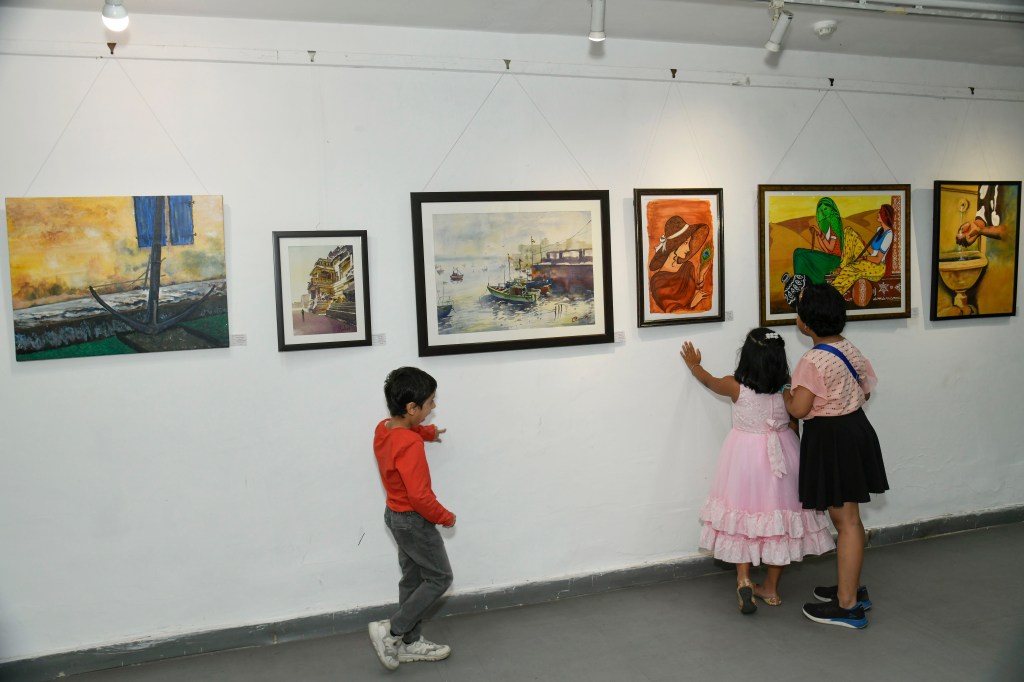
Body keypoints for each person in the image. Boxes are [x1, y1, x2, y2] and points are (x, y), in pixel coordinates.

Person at [681, 329, 835, 615]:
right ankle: (772, 589)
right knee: (780, 520)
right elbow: (793, 422)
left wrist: (694, 365)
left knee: (743, 514)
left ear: (747, 357)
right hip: (783, 454)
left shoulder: (735, 386)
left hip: (744, 457)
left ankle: (743, 577)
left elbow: (709, 380)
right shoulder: (786, 389)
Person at [783, 284, 888, 629]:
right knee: (850, 520)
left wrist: (786, 394)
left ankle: (848, 605)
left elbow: (798, 407)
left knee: (847, 523)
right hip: (855, 430)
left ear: (807, 322)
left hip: (831, 440)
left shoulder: (811, 360)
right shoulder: (848, 347)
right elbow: (867, 389)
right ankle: (850, 588)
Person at [368, 367, 456, 670]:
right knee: (440, 578)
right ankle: (392, 630)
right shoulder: (410, 445)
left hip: (394, 517)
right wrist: (445, 517)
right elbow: (419, 496)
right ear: (412, 408)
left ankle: (408, 642)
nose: (434, 407)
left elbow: (404, 431)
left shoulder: (384, 428)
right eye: (430, 403)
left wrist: (428, 431)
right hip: (414, 521)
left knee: (413, 579)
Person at [782, 197, 845, 306]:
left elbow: (830, 248)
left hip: (834, 260)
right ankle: (800, 282)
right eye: (821, 210)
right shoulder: (828, 227)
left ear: (831, 210)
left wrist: (820, 234)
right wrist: (818, 233)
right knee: (798, 253)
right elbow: (825, 248)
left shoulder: (834, 225)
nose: (823, 212)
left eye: (825, 209)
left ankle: (802, 285)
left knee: (802, 256)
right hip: (828, 257)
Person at [649, 216, 712, 313]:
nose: (688, 249)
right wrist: (691, 304)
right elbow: (673, 312)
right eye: (686, 243)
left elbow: (695, 292)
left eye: (689, 242)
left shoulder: (688, 266)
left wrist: (701, 277)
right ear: (675, 245)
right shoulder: (658, 281)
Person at [830, 203, 895, 297]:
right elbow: (873, 252)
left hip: (877, 267)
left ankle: (834, 293)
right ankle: (843, 265)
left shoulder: (889, 234)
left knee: (851, 268)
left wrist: (864, 257)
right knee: (849, 232)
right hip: (871, 258)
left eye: (880, 212)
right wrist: (862, 244)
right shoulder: (880, 229)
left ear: (885, 216)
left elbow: (877, 259)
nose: (878, 214)